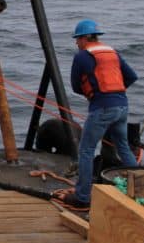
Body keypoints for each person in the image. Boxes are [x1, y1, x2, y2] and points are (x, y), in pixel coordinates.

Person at [56, 19, 138, 210]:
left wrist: (97, 94)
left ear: (84, 38)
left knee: (86, 150)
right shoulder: (112, 52)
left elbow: (76, 86)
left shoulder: (82, 56)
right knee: (124, 148)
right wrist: (115, 92)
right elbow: (132, 76)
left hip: (102, 108)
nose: (76, 43)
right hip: (122, 106)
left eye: (77, 39)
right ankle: (141, 188)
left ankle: (83, 196)